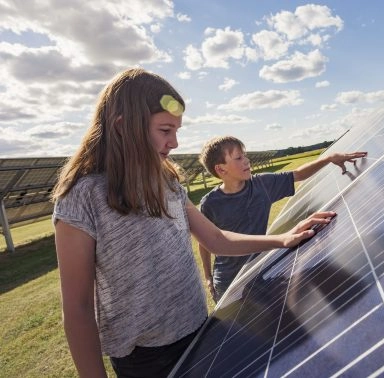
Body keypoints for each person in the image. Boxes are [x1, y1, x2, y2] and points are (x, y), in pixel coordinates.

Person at [51, 68, 334, 378]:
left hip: (199, 332)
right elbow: (77, 308)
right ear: (122, 126)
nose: (174, 142)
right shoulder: (81, 198)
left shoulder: (166, 181)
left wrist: (281, 240)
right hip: (145, 359)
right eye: (165, 130)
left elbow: (215, 239)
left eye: (177, 130)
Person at [198, 136, 367, 302]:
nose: (247, 161)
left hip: (258, 273)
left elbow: (298, 174)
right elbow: (204, 241)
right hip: (228, 284)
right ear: (221, 169)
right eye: (239, 158)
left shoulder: (262, 184)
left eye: (245, 155)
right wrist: (208, 276)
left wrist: (329, 158)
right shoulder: (210, 203)